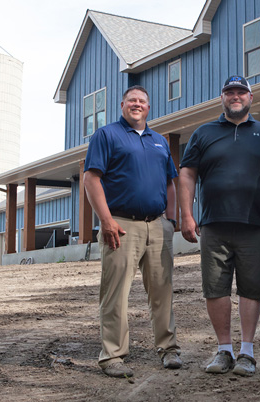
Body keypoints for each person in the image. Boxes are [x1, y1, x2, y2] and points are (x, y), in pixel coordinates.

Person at [179, 75, 260, 377]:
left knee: (251, 288)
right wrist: (187, 214)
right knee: (216, 287)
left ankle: (247, 353)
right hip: (214, 223)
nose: (235, 96)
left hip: (256, 223)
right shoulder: (203, 133)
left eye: (241, 92)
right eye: (229, 92)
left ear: (251, 98)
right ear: (221, 98)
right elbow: (187, 174)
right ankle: (224, 349)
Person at [83, 85, 181, 378]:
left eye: (142, 101)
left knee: (162, 291)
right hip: (121, 226)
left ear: (148, 108)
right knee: (115, 293)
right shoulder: (107, 135)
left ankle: (169, 348)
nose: (137, 105)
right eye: (132, 101)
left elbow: (170, 183)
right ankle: (113, 355)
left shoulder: (159, 141)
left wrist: (171, 220)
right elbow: (91, 179)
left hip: (157, 225)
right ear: (122, 105)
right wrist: (106, 219)